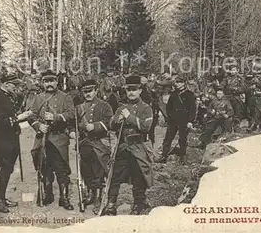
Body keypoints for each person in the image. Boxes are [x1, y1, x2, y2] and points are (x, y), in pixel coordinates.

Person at [101, 75, 154, 216]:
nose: (131, 92)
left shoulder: (146, 108)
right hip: (122, 146)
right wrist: (117, 120)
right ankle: (111, 204)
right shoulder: (121, 107)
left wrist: (129, 117)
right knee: (115, 176)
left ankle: (139, 203)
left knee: (139, 176)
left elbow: (146, 127)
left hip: (138, 147)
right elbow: (110, 125)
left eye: (134, 89)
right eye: (129, 89)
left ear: (140, 90)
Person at [25, 69, 76, 210]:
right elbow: (31, 116)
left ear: (56, 82)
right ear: (42, 83)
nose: (49, 84)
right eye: (46, 81)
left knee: (61, 168)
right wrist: (38, 126)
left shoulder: (65, 97)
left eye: (52, 81)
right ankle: (48, 194)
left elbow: (72, 114)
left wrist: (56, 117)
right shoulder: (38, 98)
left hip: (59, 138)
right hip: (43, 138)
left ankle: (64, 198)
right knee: (44, 167)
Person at [0, 73, 26, 213]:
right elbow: (1, 121)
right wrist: (20, 118)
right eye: (14, 85)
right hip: (1, 139)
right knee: (5, 168)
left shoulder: (10, 96)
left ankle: (1, 195)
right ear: (5, 85)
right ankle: (0, 201)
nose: (16, 87)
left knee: (8, 169)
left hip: (11, 137)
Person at [75, 79, 113, 214]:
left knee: (98, 170)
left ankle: (98, 199)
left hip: (100, 143)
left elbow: (110, 123)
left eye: (90, 91)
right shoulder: (79, 108)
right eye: (85, 92)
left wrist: (95, 126)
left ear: (96, 90)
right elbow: (74, 123)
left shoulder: (104, 106)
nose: (87, 94)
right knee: (86, 170)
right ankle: (91, 195)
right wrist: (74, 131)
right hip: (85, 143)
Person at [156, 74, 196, 164]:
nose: (177, 84)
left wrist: (190, 121)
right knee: (167, 139)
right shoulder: (173, 94)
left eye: (179, 82)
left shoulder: (189, 94)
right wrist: (169, 117)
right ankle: (164, 156)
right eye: (176, 82)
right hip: (173, 120)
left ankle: (183, 157)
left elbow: (192, 109)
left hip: (184, 120)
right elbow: (169, 107)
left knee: (182, 139)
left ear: (184, 83)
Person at [221, 64, 246, 128]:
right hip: (228, 96)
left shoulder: (240, 78)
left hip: (236, 96)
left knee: (237, 108)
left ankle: (236, 124)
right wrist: (220, 87)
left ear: (236, 70)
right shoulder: (227, 78)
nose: (232, 71)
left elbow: (243, 88)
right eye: (231, 70)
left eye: (234, 70)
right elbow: (222, 85)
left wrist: (236, 89)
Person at [245, 67, 261, 132]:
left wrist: (258, 83)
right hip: (252, 98)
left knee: (260, 111)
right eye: (256, 74)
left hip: (260, 98)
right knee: (252, 112)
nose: (258, 75)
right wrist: (251, 87)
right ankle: (254, 125)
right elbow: (246, 89)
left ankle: (256, 125)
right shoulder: (252, 80)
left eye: (259, 74)